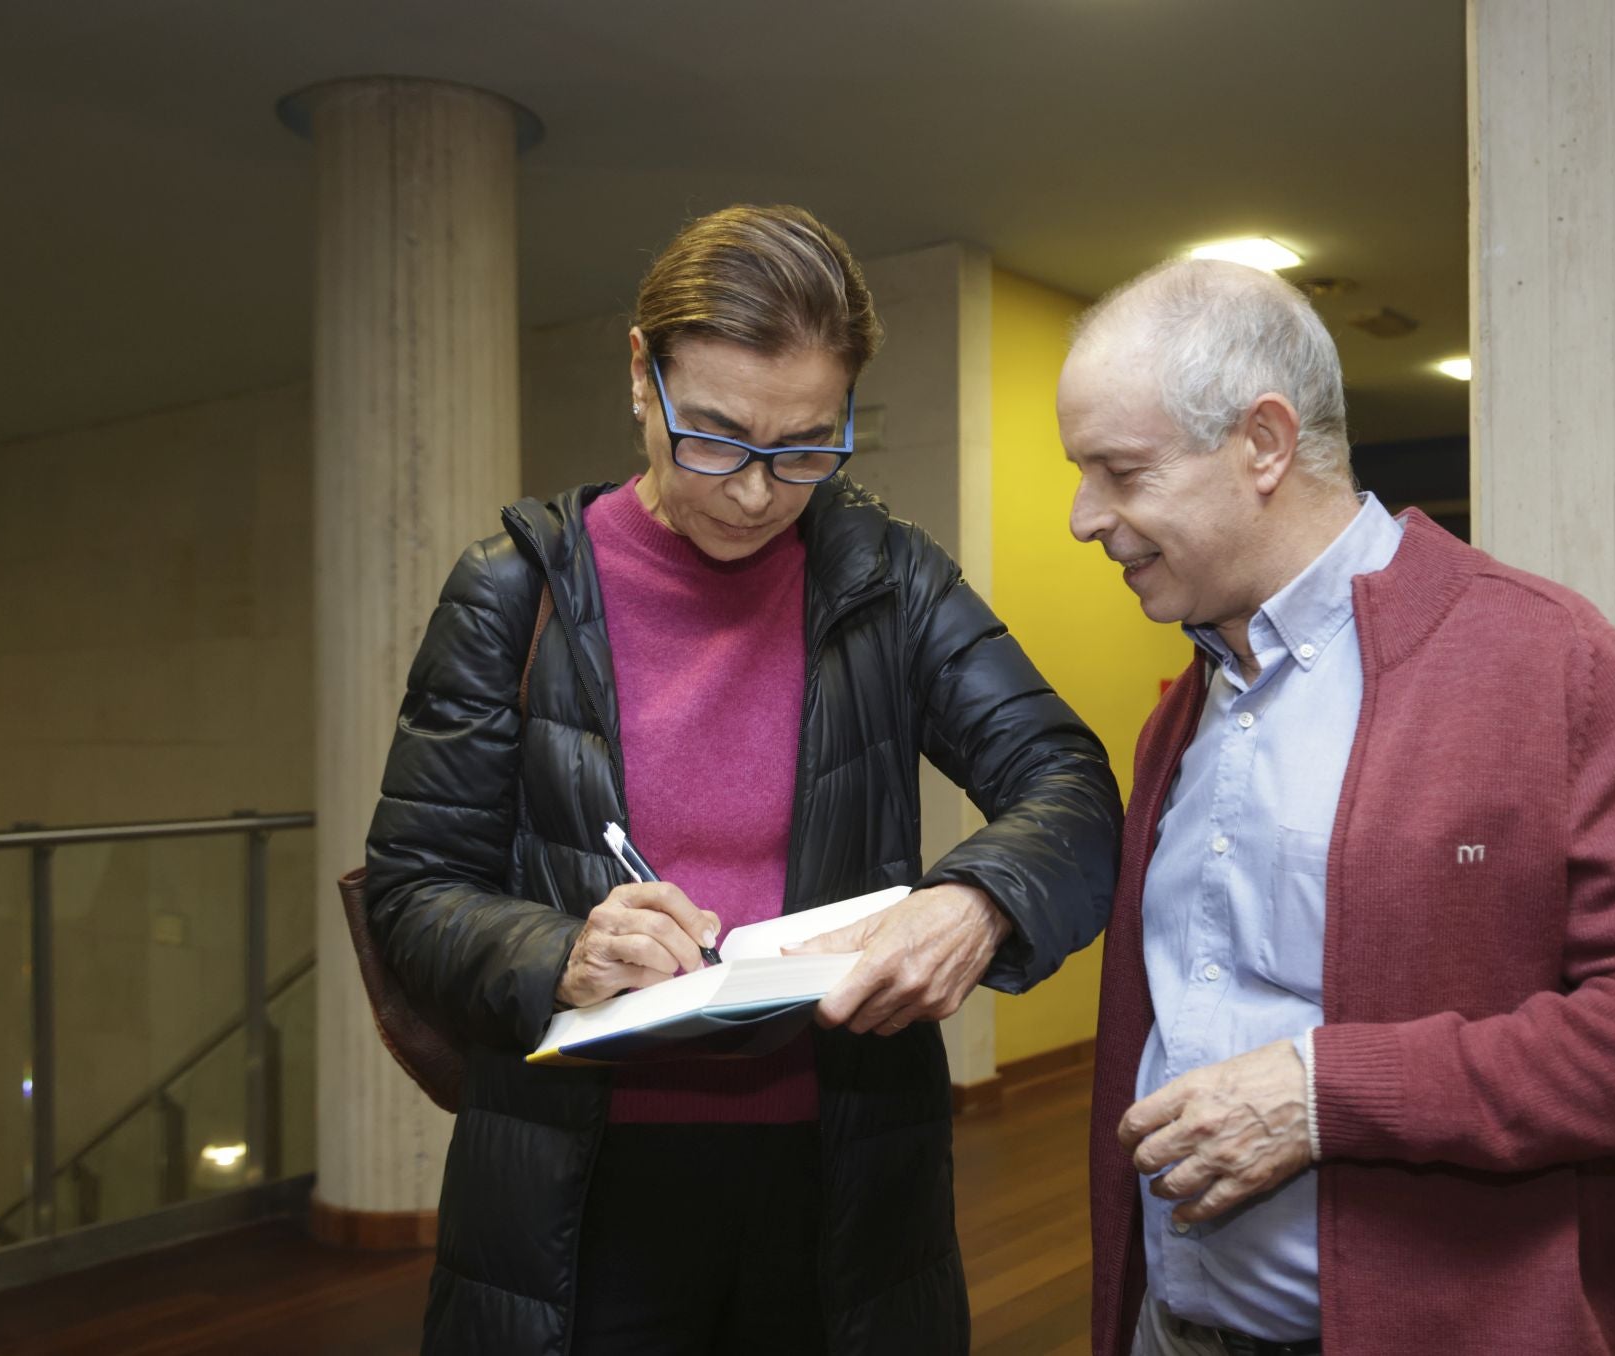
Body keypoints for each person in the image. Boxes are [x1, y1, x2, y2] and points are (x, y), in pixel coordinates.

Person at [363, 203, 1122, 1356]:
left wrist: (980, 898)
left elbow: (1065, 776)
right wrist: (560, 954)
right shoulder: (510, 592)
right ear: (639, 374)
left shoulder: (888, 582)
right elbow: (415, 892)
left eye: (806, 447)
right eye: (713, 436)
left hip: (843, 1171)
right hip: (575, 1177)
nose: (758, 493)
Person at [1061, 258, 1615, 1356]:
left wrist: (1329, 1089)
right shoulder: (1190, 703)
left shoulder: (1549, 662)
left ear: (1263, 444)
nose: (1082, 519)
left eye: (1120, 471)